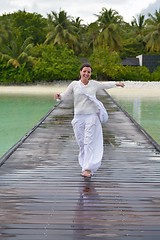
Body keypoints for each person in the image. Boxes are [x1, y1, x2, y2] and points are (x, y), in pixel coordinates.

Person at [55, 63, 124, 178]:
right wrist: (59, 96)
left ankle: (87, 168)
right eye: (84, 71)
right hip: (78, 117)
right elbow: (65, 95)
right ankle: (84, 164)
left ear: (90, 74)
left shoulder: (94, 85)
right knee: (81, 143)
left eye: (89, 72)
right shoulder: (74, 84)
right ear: (80, 72)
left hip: (91, 117)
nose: (86, 74)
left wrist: (117, 84)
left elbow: (105, 85)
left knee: (88, 142)